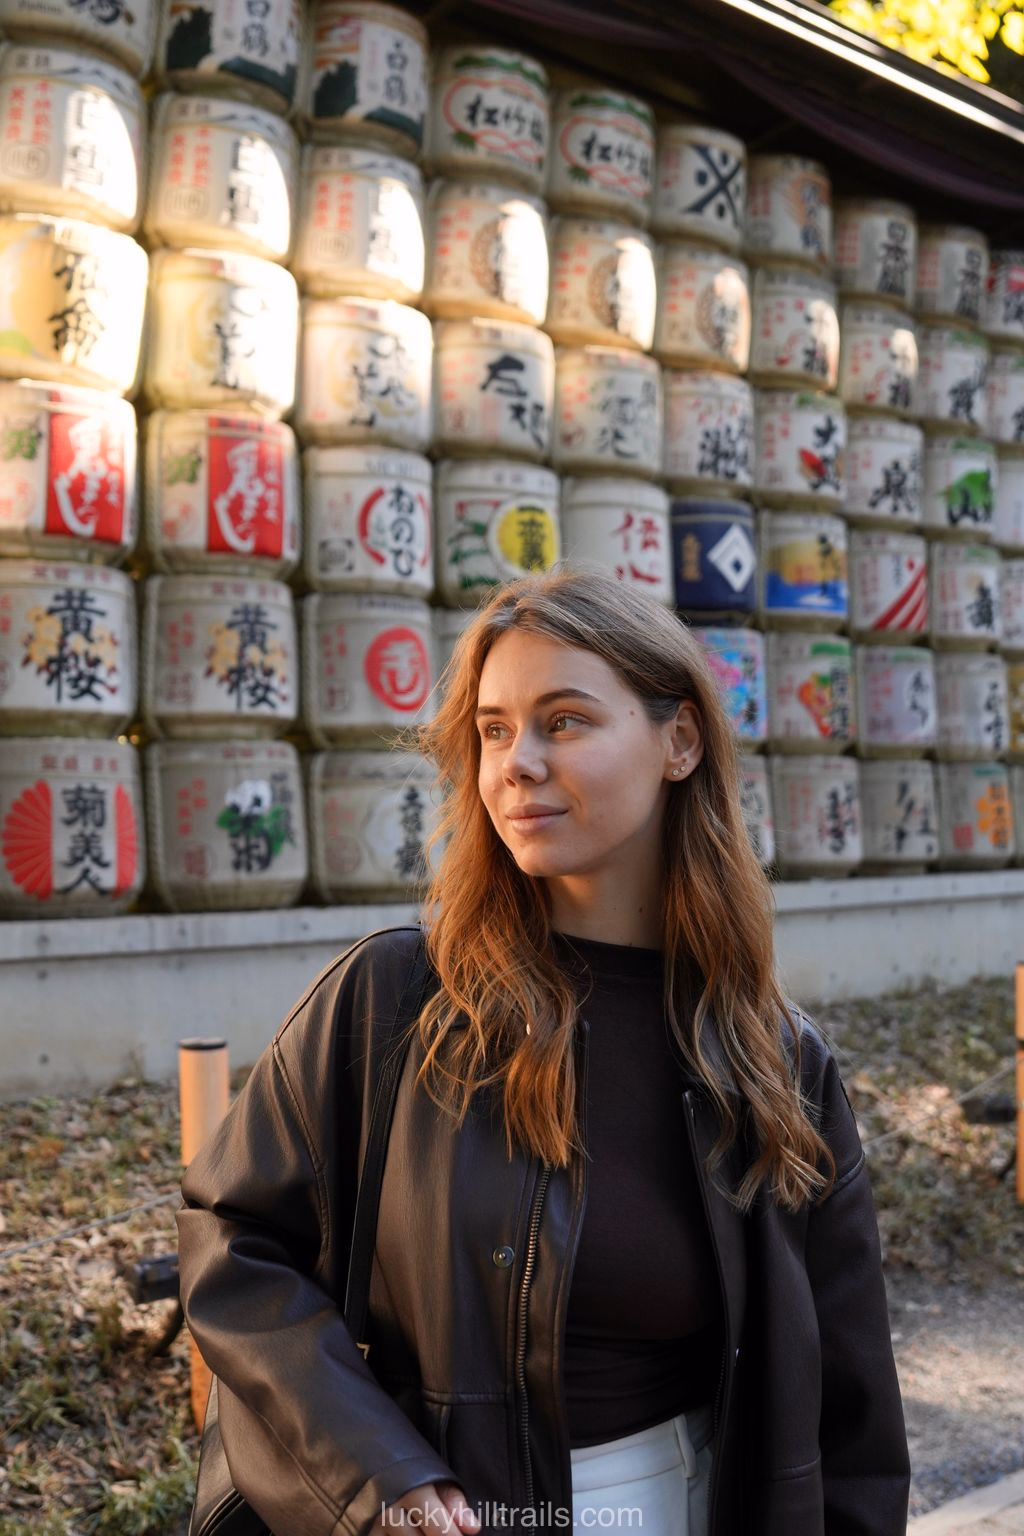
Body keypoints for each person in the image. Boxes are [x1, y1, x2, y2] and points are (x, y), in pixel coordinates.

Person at [177, 564, 912, 1536]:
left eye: (563, 721)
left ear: (679, 740)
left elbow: (851, 1413)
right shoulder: (398, 1000)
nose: (515, 762)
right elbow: (233, 1246)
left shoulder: (771, 1058)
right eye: (492, 730)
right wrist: (377, 1475)